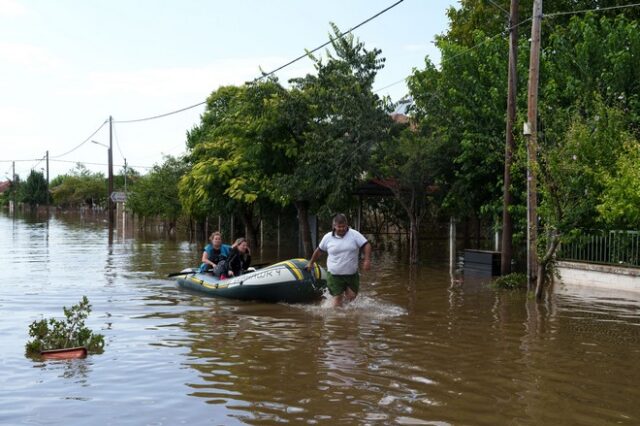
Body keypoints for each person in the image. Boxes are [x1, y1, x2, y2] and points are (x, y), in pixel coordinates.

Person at [307, 213, 371, 307]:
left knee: (352, 299)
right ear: (334, 226)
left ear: (347, 225)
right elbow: (319, 251)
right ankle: (336, 320)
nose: (341, 229)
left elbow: (366, 245)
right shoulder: (328, 237)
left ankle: (347, 319)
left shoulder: (354, 234)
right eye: (339, 227)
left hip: (352, 275)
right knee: (337, 300)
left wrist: (367, 260)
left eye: (343, 226)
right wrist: (311, 262)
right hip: (334, 275)